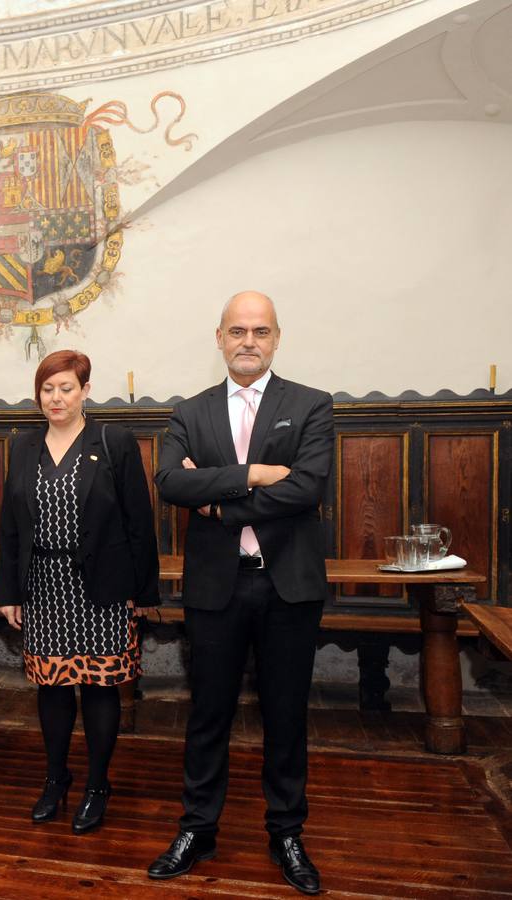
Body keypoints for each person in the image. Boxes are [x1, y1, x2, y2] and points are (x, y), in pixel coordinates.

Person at [147, 291, 334, 896]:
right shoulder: (190, 411)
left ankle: (286, 833)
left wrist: (216, 500)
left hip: (288, 587)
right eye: (237, 331)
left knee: (285, 717)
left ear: (277, 338)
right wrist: (252, 475)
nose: (247, 341)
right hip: (216, 589)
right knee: (208, 715)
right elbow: (171, 480)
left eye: (259, 331)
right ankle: (198, 828)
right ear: (220, 338)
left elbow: (306, 489)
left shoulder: (311, 405)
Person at [0, 349, 159, 834]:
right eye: (47, 389)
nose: (56, 397)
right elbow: (9, 526)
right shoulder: (24, 447)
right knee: (52, 687)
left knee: (100, 687)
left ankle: (97, 785)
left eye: (66, 387)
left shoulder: (113, 441)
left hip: (103, 588)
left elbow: (139, 522)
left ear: (85, 390)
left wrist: (141, 590)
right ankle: (55, 778)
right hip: (43, 586)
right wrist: (9, 591)